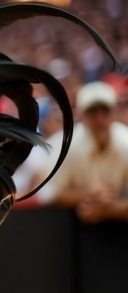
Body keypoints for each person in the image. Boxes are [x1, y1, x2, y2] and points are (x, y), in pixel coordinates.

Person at [39, 81, 128, 224]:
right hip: (70, 231)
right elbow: (48, 193)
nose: (100, 119)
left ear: (114, 112)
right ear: (81, 116)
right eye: (93, 112)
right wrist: (86, 194)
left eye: (105, 111)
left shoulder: (125, 143)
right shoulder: (67, 145)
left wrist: (105, 211)